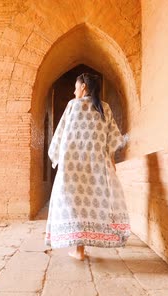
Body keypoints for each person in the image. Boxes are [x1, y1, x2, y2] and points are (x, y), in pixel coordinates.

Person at [45, 73, 130, 260]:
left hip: (72, 168)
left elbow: (60, 136)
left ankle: (78, 250)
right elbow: (113, 139)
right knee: (89, 204)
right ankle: (81, 249)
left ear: (83, 87)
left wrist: (56, 158)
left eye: (76, 87)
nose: (74, 90)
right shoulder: (104, 108)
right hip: (96, 168)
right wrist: (111, 161)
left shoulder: (72, 106)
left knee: (75, 205)